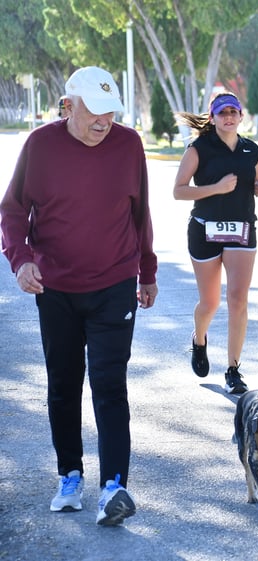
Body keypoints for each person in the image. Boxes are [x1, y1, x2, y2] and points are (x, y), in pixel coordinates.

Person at [0, 66, 158, 525]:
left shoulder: (128, 145)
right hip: (57, 290)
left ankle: (114, 487)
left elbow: (140, 211)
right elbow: (12, 211)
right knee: (63, 386)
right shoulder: (40, 146)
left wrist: (146, 270)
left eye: (111, 111)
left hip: (114, 285)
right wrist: (21, 259)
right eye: (94, 111)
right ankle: (70, 474)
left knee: (110, 385)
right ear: (68, 105)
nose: (104, 120)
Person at [173, 91, 258, 395]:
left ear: (241, 116)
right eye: (222, 112)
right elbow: (179, 191)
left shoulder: (252, 151)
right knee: (210, 302)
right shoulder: (198, 149)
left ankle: (233, 369)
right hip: (205, 230)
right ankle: (199, 339)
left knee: (238, 299)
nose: (228, 117)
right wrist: (215, 188)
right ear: (212, 119)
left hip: (241, 229)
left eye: (233, 112)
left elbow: (257, 183)